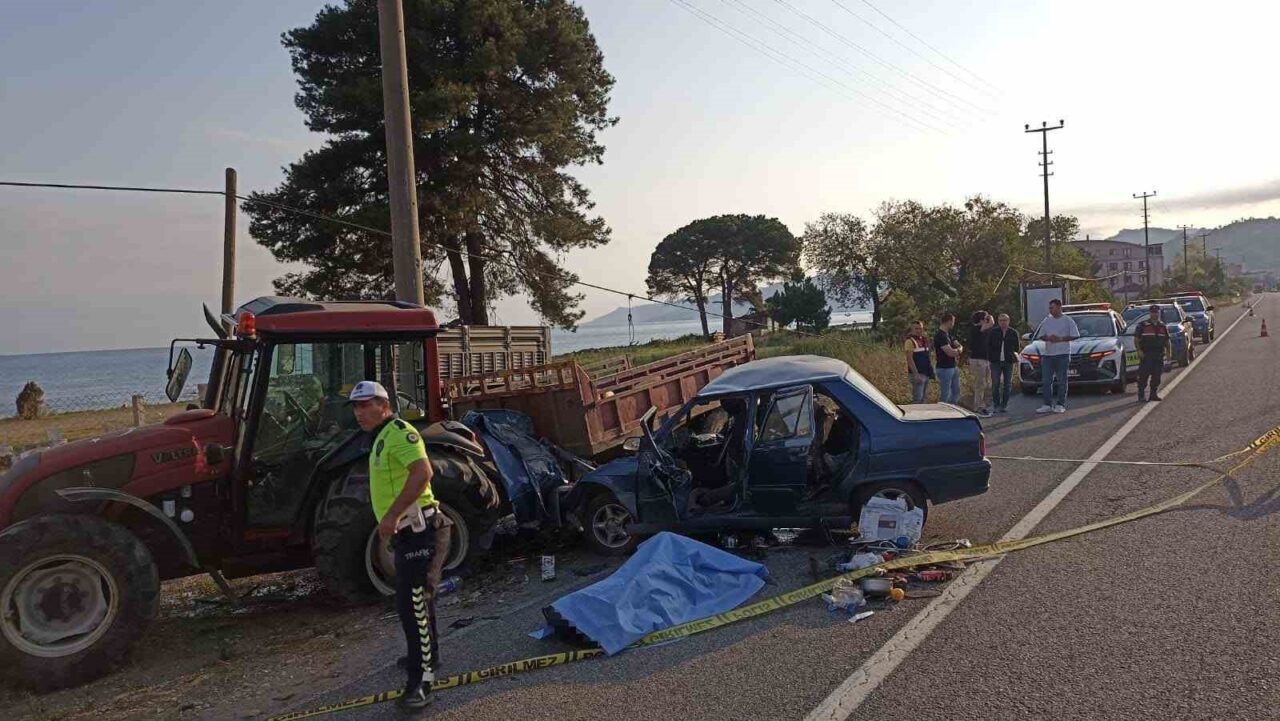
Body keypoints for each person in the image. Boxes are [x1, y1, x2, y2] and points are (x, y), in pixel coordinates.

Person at [350, 380, 450, 711]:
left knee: (413, 604)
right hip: (409, 532)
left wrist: (391, 515)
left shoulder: (399, 432)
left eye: (367, 405)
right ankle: (426, 655)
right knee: (415, 601)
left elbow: (423, 472)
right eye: (356, 407)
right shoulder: (379, 438)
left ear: (384, 405)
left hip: (423, 530)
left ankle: (421, 681)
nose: (360, 412)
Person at [1035, 299, 1080, 414]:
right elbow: (1041, 335)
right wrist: (1049, 338)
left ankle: (1060, 404)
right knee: (1046, 380)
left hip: (1063, 354)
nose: (1050, 310)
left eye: (1052, 307)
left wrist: (1060, 339)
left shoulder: (1067, 320)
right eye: (1049, 308)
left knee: (1062, 380)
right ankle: (1047, 404)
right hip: (1048, 355)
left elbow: (1075, 335)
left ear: (1059, 307)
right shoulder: (1046, 321)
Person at [1132, 304, 1171, 402]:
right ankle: (1141, 395)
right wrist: (1139, 350)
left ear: (1159, 313)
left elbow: (1167, 341)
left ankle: (1153, 394)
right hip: (1146, 354)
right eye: (1153, 312)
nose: (1155, 314)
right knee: (1143, 376)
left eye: (1156, 312)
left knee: (1157, 376)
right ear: (1150, 313)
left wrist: (1169, 353)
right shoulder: (1142, 325)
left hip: (1158, 355)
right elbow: (1136, 339)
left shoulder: (1162, 326)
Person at [987, 313, 1019, 414]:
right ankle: (996, 405)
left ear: (1008, 321)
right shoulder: (993, 332)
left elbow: (1017, 348)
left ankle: (1004, 405)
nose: (1003, 322)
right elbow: (988, 346)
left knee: (1007, 384)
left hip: (1008, 362)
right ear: (998, 321)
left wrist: (1014, 356)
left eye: (1005, 320)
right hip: (995, 362)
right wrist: (990, 358)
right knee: (995, 384)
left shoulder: (1013, 333)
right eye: (1001, 320)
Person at [967, 311, 994, 417]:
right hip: (978, 360)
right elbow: (991, 323)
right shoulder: (976, 329)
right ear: (981, 320)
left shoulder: (983, 329)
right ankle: (978, 407)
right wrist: (990, 316)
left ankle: (982, 405)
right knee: (980, 384)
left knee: (984, 384)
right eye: (985, 318)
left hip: (984, 359)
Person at [934, 313, 963, 405]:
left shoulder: (948, 335)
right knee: (945, 394)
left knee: (956, 392)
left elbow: (958, 344)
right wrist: (959, 350)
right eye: (953, 322)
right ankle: (942, 413)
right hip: (944, 368)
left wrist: (958, 348)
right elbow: (950, 353)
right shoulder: (941, 336)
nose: (953, 324)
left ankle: (952, 410)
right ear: (949, 321)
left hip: (953, 367)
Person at [904, 320, 934, 403]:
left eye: (920, 328)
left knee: (924, 399)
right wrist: (916, 374)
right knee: (917, 399)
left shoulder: (924, 340)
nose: (918, 330)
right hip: (917, 374)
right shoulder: (910, 341)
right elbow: (909, 359)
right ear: (912, 329)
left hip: (926, 373)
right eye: (916, 328)